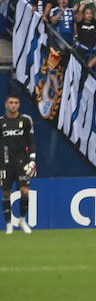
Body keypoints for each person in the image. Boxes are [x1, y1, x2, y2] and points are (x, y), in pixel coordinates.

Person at [1, 94, 35, 234]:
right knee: (6, 192)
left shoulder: (26, 120)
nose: (13, 105)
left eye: (16, 102)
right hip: (5, 163)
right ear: (6, 105)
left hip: (23, 162)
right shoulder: (1, 122)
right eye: (11, 102)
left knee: (25, 191)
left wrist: (32, 159)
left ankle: (22, 219)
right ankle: (9, 224)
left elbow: (31, 141)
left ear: (19, 105)